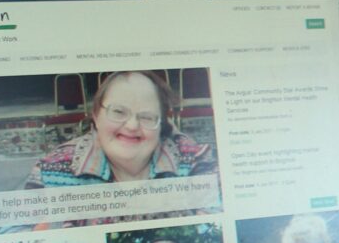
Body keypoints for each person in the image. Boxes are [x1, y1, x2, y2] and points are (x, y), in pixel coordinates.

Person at [26, 70, 215, 188]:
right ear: (95, 115)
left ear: (162, 124)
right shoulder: (50, 172)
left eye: (147, 116)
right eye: (118, 112)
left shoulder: (195, 163)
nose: (132, 126)